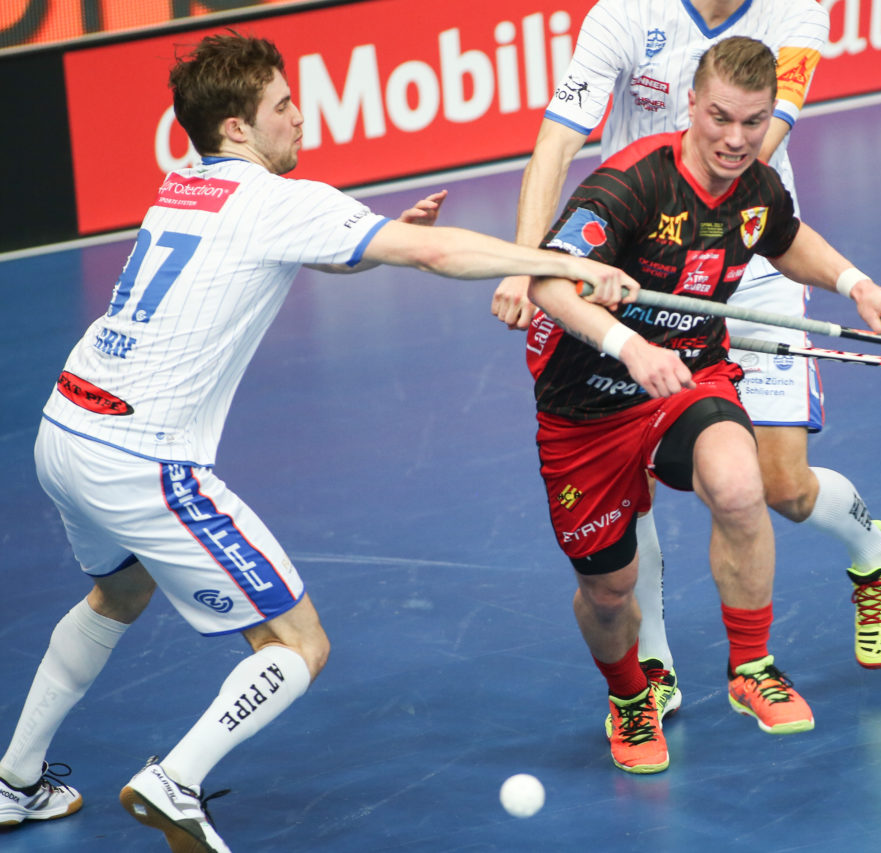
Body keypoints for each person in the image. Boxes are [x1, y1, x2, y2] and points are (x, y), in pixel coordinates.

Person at [0, 31, 634, 851]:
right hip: (141, 458)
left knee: (117, 596)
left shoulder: (183, 182)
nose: (300, 116)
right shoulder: (276, 201)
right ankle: (175, 779)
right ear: (237, 127)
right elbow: (437, 252)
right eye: (282, 105)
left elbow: (302, 251)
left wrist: (373, 241)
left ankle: (14, 779)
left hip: (66, 429)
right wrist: (562, 265)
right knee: (299, 644)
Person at [492, 0, 881, 721]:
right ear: (694, 103)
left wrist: (855, 283)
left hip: (746, 254)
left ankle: (878, 550)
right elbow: (558, 139)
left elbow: (751, 148)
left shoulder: (797, 18)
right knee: (630, 483)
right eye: (717, 114)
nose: (734, 129)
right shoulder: (623, 15)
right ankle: (652, 667)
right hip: (631, 260)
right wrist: (529, 261)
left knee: (774, 485)